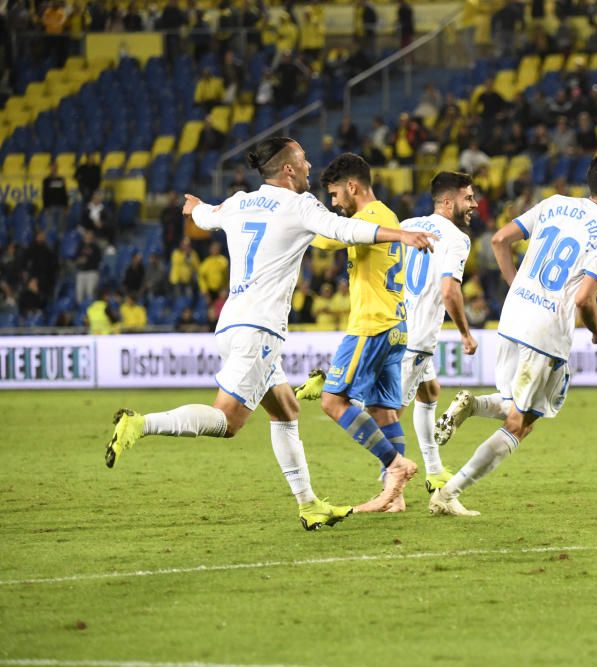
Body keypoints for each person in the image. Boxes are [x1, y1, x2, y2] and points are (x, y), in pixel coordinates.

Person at [102, 137, 434, 532]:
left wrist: (194, 209)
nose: (310, 166)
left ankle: (309, 504)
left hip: (231, 322)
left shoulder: (239, 201)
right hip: (260, 329)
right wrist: (400, 235)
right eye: (304, 159)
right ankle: (141, 424)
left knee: (286, 411)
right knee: (227, 422)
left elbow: (205, 215)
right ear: (289, 169)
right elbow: (345, 230)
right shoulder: (300, 205)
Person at [430, 154, 597, 516]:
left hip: (512, 318)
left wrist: (516, 286)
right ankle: (448, 494)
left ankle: (473, 405)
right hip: (545, 332)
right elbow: (586, 298)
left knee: (519, 405)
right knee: (520, 423)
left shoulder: (555, 204)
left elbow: (499, 240)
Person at [294, 153, 424, 514]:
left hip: (371, 325)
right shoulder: (386, 216)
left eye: (335, 194)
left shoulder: (369, 219)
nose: (335, 203)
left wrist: (296, 210)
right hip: (396, 326)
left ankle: (396, 466)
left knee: (333, 402)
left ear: (352, 186)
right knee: (385, 411)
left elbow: (325, 238)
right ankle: (394, 497)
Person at [395, 172, 479, 504]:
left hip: (399, 325)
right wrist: (465, 333)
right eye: (468, 198)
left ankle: (433, 470)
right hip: (416, 336)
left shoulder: (408, 223)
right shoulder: (457, 238)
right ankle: (392, 487)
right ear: (448, 202)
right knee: (390, 412)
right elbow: (449, 290)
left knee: (429, 391)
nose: (474, 204)